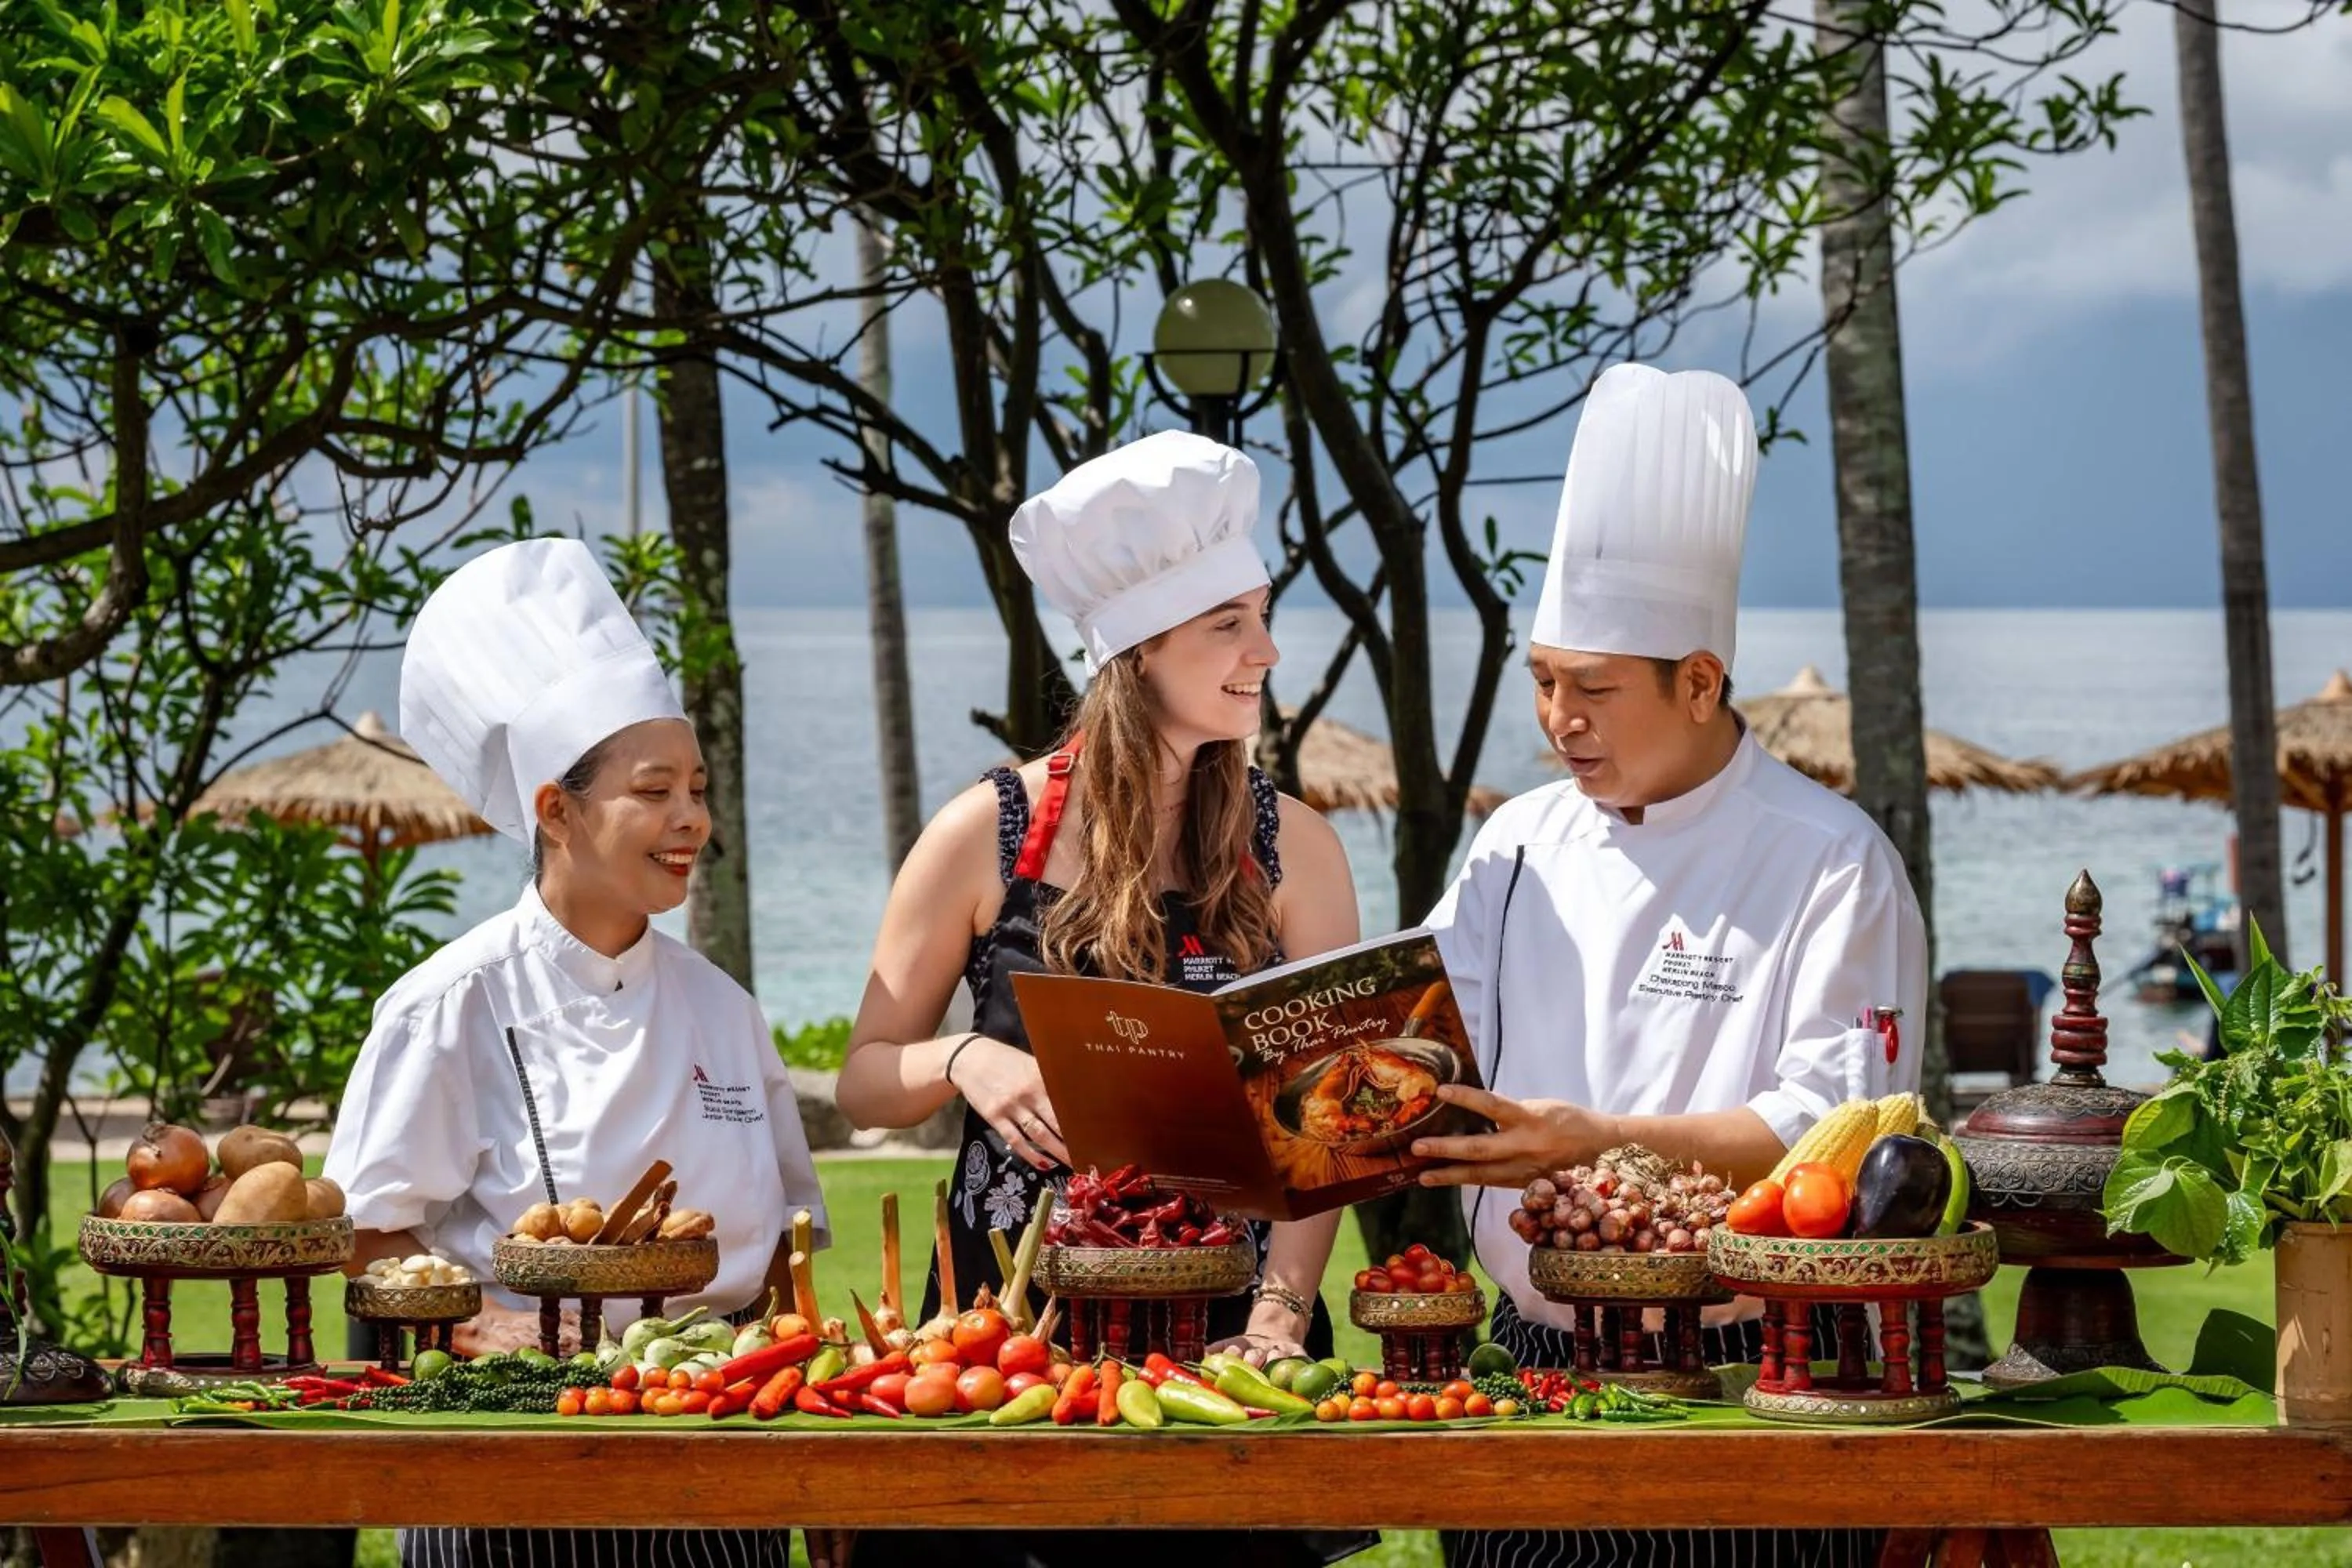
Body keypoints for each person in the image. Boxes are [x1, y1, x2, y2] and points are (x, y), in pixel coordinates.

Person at [1408, 365, 1928, 1568]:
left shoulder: (1829, 860)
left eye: (1593, 688)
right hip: (1527, 1368)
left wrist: (1589, 1139)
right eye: (1542, 681)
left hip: (1751, 1378)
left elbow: (1828, 1129)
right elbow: (1429, 1031)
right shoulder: (1517, 841)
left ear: (1700, 682)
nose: (1557, 720)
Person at [838, 430, 1367, 1568]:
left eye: (1262, 616)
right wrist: (963, 1061)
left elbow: (1334, 1123)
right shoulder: (989, 831)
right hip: (1006, 1332)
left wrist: (1279, 1315)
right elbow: (865, 1077)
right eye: (1229, 624)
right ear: (1135, 652)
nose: (1266, 651)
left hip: (1228, 1336)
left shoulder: (1299, 852)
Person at [324, 538, 831, 1568]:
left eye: (697, 787)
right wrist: (479, 1330)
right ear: (556, 808)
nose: (691, 818)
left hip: (717, 1465)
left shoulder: (723, 1009)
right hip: (518, 1466)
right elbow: (367, 1241)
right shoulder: (451, 1003)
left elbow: (791, 1252)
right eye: (655, 792)